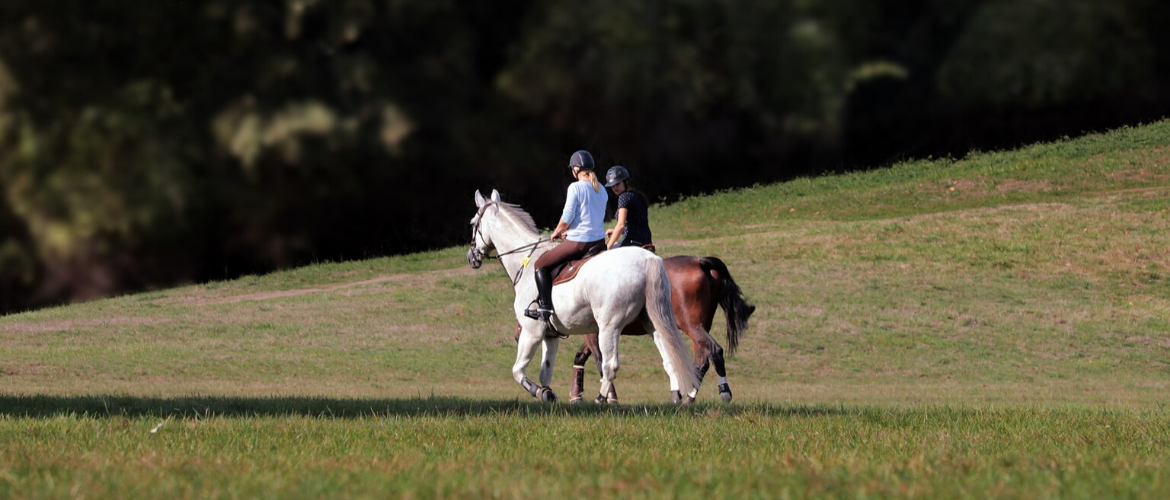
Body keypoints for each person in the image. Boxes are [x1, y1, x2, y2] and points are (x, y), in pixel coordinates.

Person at [526, 150, 608, 321]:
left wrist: (557, 231)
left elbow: (567, 217)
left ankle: (545, 309)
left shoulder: (575, 187)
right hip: (599, 242)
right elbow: (591, 217)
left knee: (540, 265)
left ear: (575, 170)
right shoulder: (602, 189)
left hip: (580, 243)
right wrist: (571, 231)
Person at [604, 165, 653, 249]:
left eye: (617, 184)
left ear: (626, 181)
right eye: (612, 186)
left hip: (631, 242)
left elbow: (621, 225)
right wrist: (614, 231)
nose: (615, 187)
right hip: (647, 242)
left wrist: (608, 247)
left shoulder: (624, 197)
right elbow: (635, 225)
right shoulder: (637, 195)